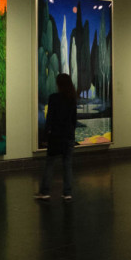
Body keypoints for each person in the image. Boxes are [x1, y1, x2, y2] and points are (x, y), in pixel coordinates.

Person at [36, 73, 78, 201]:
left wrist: (46, 135)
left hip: (56, 136)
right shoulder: (72, 98)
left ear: (58, 84)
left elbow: (50, 118)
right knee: (67, 165)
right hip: (68, 136)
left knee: (50, 163)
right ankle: (67, 193)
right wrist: (71, 132)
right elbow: (74, 119)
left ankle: (45, 192)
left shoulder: (53, 98)